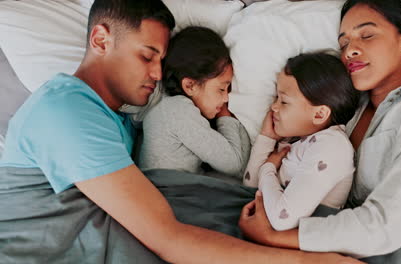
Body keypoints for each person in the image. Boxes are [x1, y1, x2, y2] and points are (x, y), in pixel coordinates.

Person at [0, 0, 363, 263]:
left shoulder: (122, 117)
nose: (158, 74)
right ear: (100, 40)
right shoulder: (65, 110)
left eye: (161, 60)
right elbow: (167, 237)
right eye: (147, 56)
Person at [239, 0, 401, 263]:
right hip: (350, 241)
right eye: (343, 43)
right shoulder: (347, 109)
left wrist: (274, 237)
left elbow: (386, 224)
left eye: (366, 35)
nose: (349, 51)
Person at [243, 52, 360, 231]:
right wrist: (267, 138)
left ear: (319, 114)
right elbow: (250, 188)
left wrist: (268, 169)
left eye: (284, 101)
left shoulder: (332, 146)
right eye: (276, 98)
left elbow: (282, 219)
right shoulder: (297, 141)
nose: (273, 107)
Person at [137, 26, 250, 180]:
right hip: (169, 194)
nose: (226, 99)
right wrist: (225, 115)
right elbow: (234, 164)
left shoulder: (168, 109)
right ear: (190, 86)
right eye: (221, 89)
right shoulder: (176, 111)